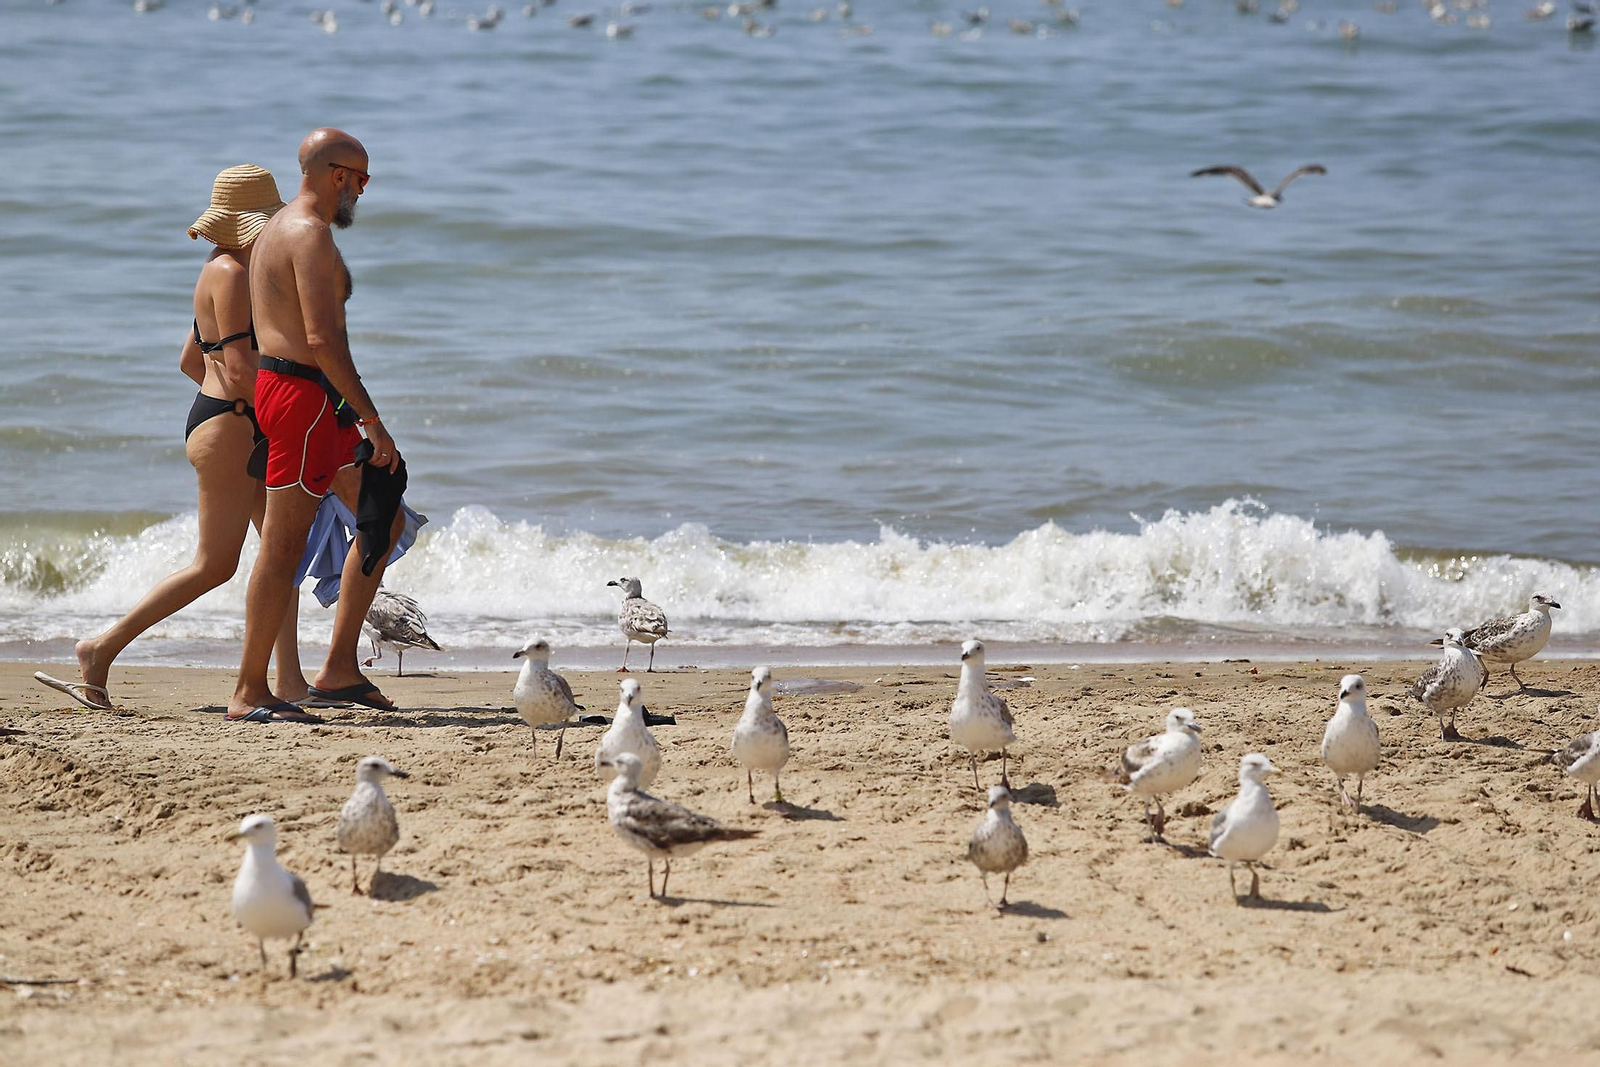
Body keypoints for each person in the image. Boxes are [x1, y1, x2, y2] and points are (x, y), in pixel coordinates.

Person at [34, 165, 312, 712]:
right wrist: (277, 416)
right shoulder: (232, 273)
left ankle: (293, 681)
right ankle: (101, 647)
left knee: (280, 551)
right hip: (232, 426)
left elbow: (191, 360)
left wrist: (234, 407)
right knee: (216, 564)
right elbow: (237, 369)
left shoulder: (224, 269)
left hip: (232, 421)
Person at [227, 128, 405, 722]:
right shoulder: (306, 234)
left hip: (311, 398)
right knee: (283, 546)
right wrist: (372, 420)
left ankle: (338, 671)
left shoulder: (283, 227)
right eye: (361, 179)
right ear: (337, 174)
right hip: (302, 399)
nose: (362, 191)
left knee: (384, 508)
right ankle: (250, 690)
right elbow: (322, 340)